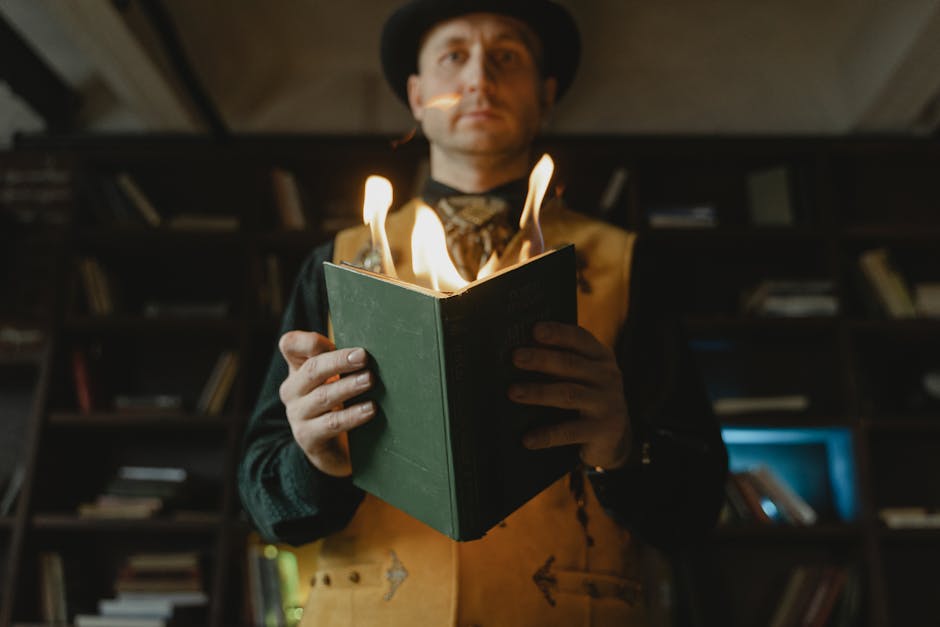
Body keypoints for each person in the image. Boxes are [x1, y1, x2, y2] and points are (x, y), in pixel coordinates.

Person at [238, 1, 728, 625]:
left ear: (545, 94)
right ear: (417, 95)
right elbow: (264, 501)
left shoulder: (627, 265)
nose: (478, 78)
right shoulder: (333, 266)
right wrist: (314, 462)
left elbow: (696, 507)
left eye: (506, 57)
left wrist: (625, 448)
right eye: (453, 56)